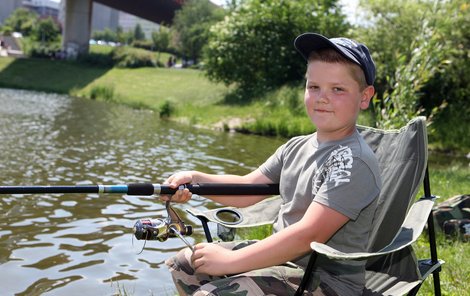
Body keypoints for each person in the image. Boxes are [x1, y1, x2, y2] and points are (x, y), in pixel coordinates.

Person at [163, 32, 382, 296]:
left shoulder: (352, 161)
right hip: (285, 262)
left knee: (211, 294)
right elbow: (249, 187)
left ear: (364, 97)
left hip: (328, 281)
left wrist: (231, 261)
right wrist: (196, 180)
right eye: (314, 87)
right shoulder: (297, 146)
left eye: (337, 89)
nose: (322, 98)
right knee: (184, 264)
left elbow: (307, 235)